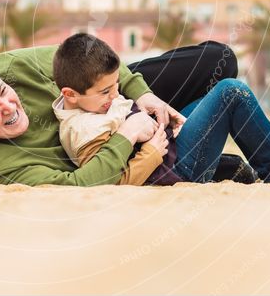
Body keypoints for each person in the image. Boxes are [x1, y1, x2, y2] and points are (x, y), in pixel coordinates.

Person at [0, 39, 270, 186]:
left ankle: (199, 142)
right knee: (230, 96)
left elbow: (82, 59)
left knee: (220, 60)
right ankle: (207, 156)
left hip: (108, 101)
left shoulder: (12, 67)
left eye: (3, 91)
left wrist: (143, 96)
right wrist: (130, 135)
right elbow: (79, 186)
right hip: (117, 149)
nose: (8, 105)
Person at [52, 33, 182, 186]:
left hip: (173, 144)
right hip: (174, 170)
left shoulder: (96, 103)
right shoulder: (83, 131)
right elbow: (113, 182)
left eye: (117, 84)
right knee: (218, 89)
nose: (115, 95)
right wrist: (151, 153)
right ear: (70, 95)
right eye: (106, 91)